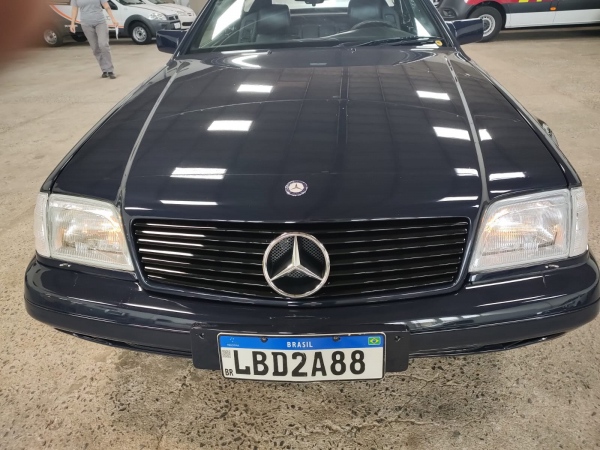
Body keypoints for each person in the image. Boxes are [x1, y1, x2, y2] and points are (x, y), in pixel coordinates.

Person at [69, 0, 119, 79]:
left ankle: (110, 70)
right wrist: (72, 23)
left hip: (100, 22)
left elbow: (106, 6)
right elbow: (74, 9)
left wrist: (113, 19)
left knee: (103, 44)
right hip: (86, 24)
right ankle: (104, 70)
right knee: (95, 48)